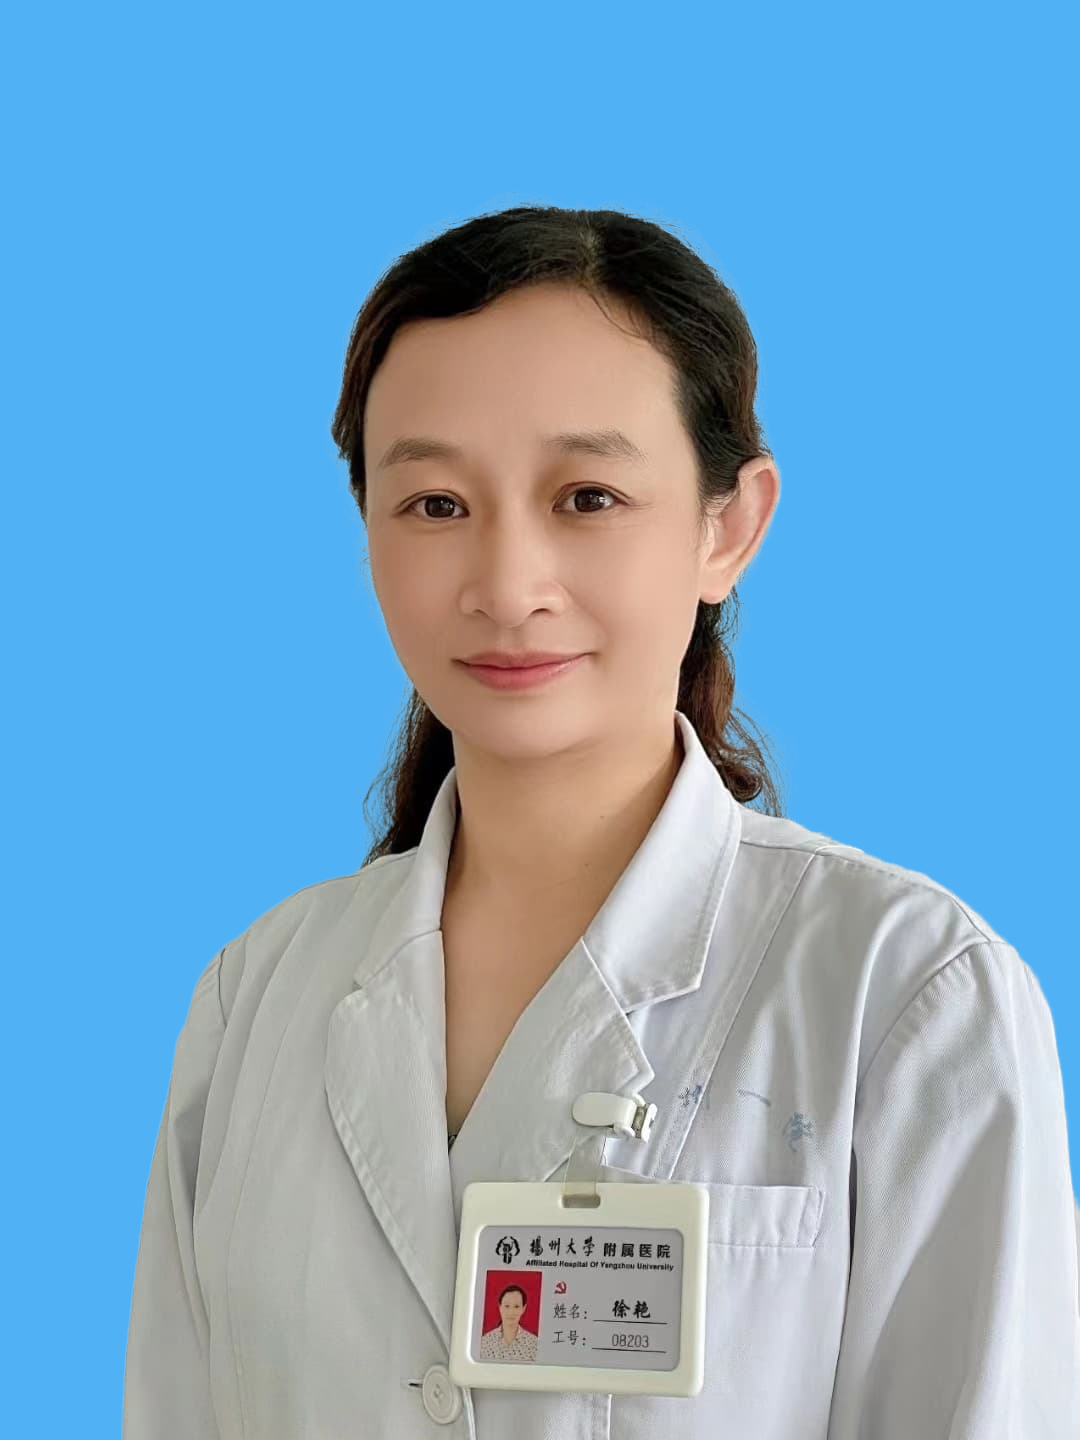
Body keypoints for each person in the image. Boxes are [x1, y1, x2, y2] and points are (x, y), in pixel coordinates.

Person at [123, 204, 1080, 1438]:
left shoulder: (904, 992)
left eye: (587, 496)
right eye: (434, 504)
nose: (506, 586)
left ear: (728, 527)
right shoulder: (255, 998)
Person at [478, 1284, 538, 1362]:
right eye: (507, 1306)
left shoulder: (534, 1344)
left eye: (516, 1306)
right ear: (500, 1307)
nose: (511, 1312)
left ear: (523, 1308)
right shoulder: (485, 1342)